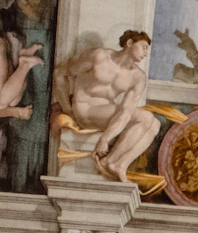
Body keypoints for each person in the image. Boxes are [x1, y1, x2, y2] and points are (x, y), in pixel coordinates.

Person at [54, 30, 159, 183]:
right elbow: (60, 73)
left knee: (155, 124)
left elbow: (125, 112)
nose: (146, 53)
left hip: (105, 113)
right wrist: (68, 109)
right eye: (143, 47)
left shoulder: (138, 77)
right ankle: (111, 162)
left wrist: (105, 138)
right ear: (129, 43)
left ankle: (118, 164)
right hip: (84, 109)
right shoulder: (99, 57)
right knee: (146, 117)